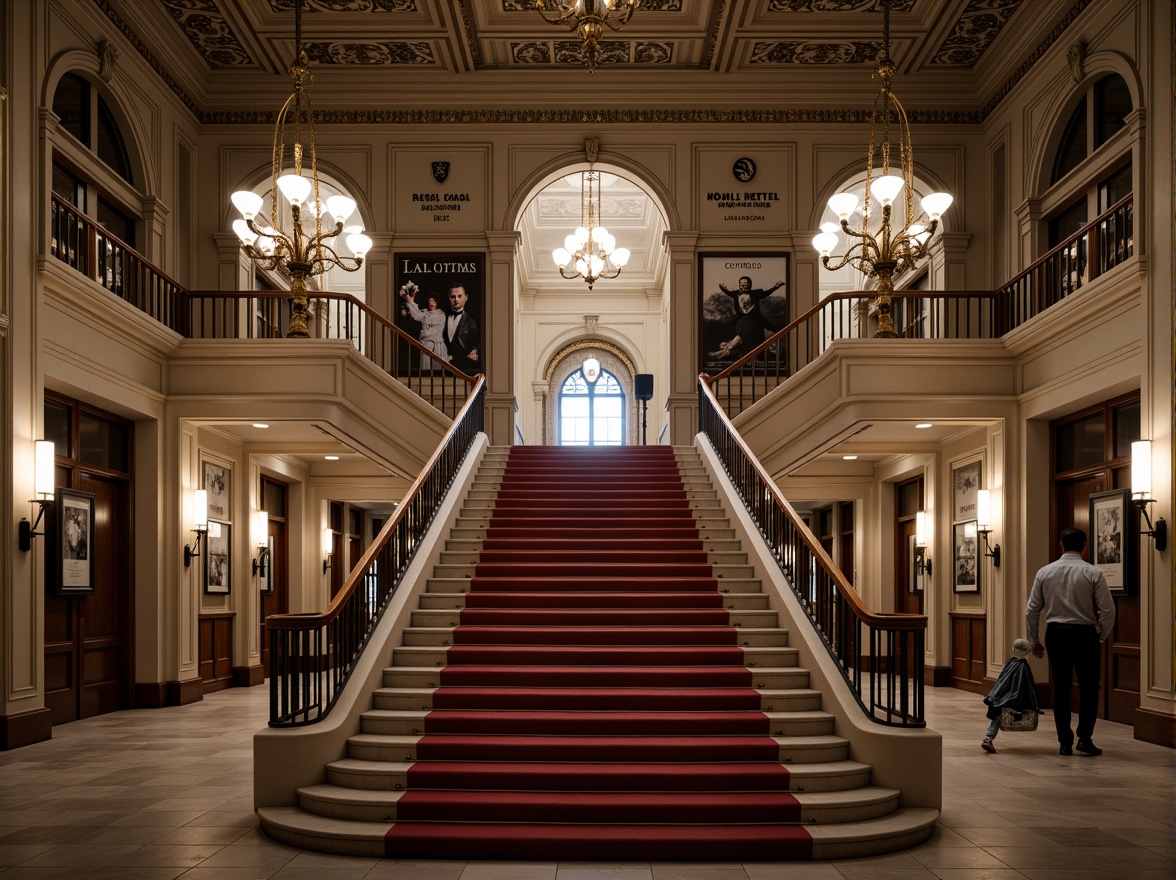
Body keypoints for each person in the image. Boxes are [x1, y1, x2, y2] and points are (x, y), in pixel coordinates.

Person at [1026, 527, 1116, 756]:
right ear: (1085, 547)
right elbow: (1107, 610)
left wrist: (1034, 639)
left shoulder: (1044, 572)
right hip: (1085, 634)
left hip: (1056, 633)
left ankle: (1064, 741)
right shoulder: (1093, 573)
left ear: (1061, 545)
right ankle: (1085, 738)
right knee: (1089, 688)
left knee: (1061, 687)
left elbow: (1032, 610)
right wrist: (1101, 635)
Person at [981, 638, 1038, 753]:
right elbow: (1026, 685)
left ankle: (988, 738)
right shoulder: (1022, 665)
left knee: (997, 714)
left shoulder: (1011, 662)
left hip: (1002, 696)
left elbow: (1003, 681)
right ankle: (988, 738)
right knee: (999, 714)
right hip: (1012, 698)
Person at [709, 275, 784, 360]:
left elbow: (766, 293)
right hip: (743, 321)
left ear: (750, 284)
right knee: (746, 328)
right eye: (741, 284)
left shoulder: (756, 293)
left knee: (752, 331)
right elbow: (728, 293)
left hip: (756, 320)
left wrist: (776, 286)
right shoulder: (735, 294)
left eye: (745, 283)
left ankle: (730, 349)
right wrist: (723, 289)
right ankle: (730, 351)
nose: (743, 285)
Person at [400, 287, 449, 371]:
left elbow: (436, 331)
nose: (432, 303)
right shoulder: (424, 313)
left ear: (437, 302)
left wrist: (426, 334)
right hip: (426, 345)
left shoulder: (442, 314)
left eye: (434, 301)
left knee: (438, 369)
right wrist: (410, 301)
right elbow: (416, 315)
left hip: (438, 346)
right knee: (425, 369)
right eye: (430, 301)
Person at [443, 283, 480, 375]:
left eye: (459, 296)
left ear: (466, 297)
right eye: (453, 297)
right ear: (449, 298)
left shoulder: (471, 321)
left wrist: (474, 352)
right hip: (442, 364)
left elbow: (476, 343)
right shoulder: (442, 316)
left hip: (463, 367)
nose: (456, 300)